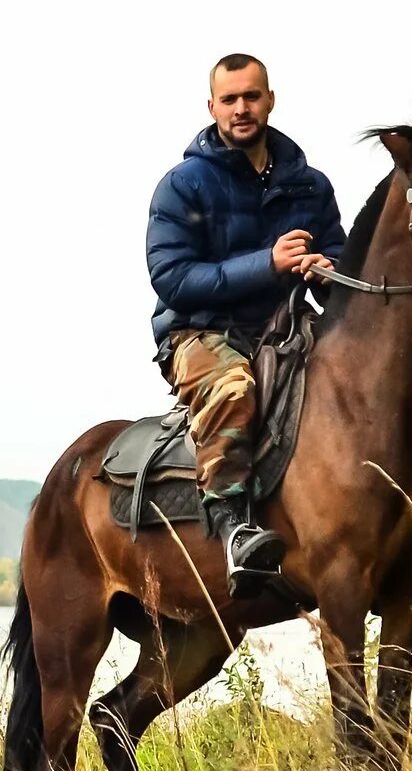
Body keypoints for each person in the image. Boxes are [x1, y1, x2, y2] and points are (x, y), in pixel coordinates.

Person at [143, 53, 345, 598]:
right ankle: (233, 528)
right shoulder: (183, 185)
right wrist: (269, 264)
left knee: (359, 382)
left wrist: (326, 272)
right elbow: (172, 278)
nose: (241, 108)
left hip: (285, 328)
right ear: (212, 107)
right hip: (197, 332)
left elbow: (342, 261)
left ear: (270, 100)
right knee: (235, 389)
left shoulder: (310, 186)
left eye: (251, 97)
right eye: (229, 99)